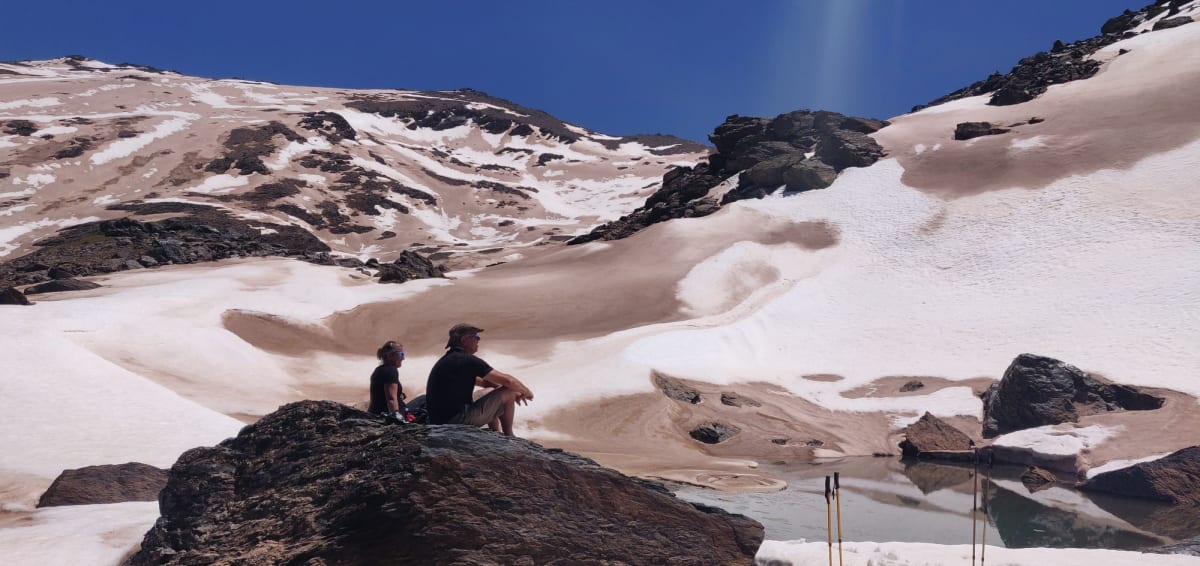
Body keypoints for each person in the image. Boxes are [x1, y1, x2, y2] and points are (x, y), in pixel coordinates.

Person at [425, 323, 534, 437]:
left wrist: (502, 390)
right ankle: (509, 436)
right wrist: (526, 392)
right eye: (475, 336)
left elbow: (484, 382)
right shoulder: (466, 360)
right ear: (464, 340)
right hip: (455, 422)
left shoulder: (449, 359)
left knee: (489, 391)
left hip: (440, 420)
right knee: (508, 392)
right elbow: (508, 381)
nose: (478, 340)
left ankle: (496, 433)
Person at [368, 340, 406, 417]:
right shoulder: (391, 370)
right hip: (384, 416)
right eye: (400, 354)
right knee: (423, 400)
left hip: (375, 413)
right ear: (390, 356)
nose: (403, 358)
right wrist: (397, 418)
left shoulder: (379, 369)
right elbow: (391, 399)